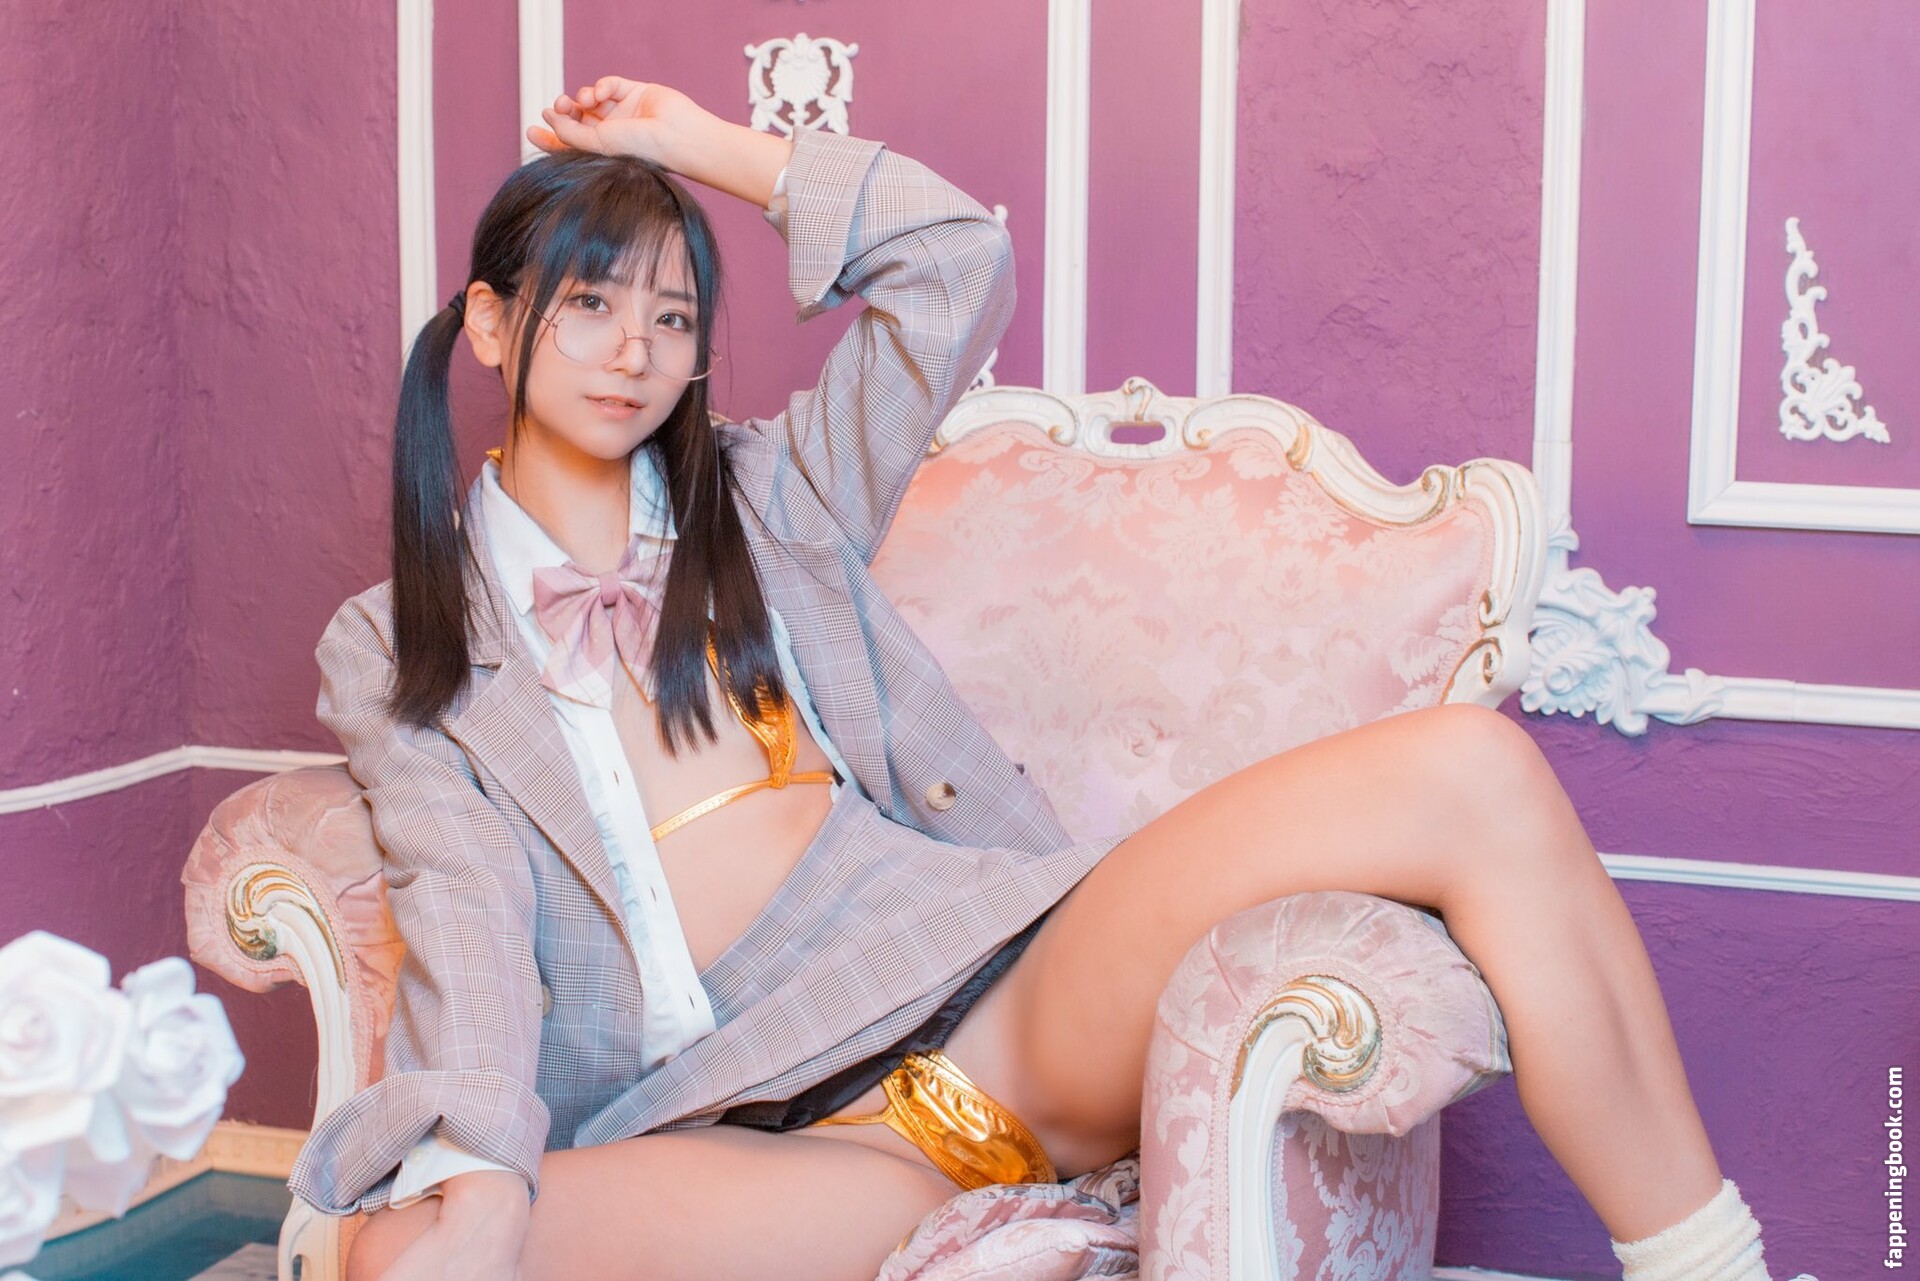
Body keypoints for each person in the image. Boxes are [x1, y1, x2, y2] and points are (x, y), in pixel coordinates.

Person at [293, 77, 1809, 1281]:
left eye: (672, 314)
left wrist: (699, 148)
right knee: (394, 1253)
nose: (633, 350)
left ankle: (1710, 1263)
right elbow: (460, 903)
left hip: (988, 1003)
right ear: (490, 323)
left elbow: (958, 263)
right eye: (588, 303)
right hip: (772, 1131)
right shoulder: (393, 639)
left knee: (1471, 769)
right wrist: (479, 1171)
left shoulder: (770, 501)